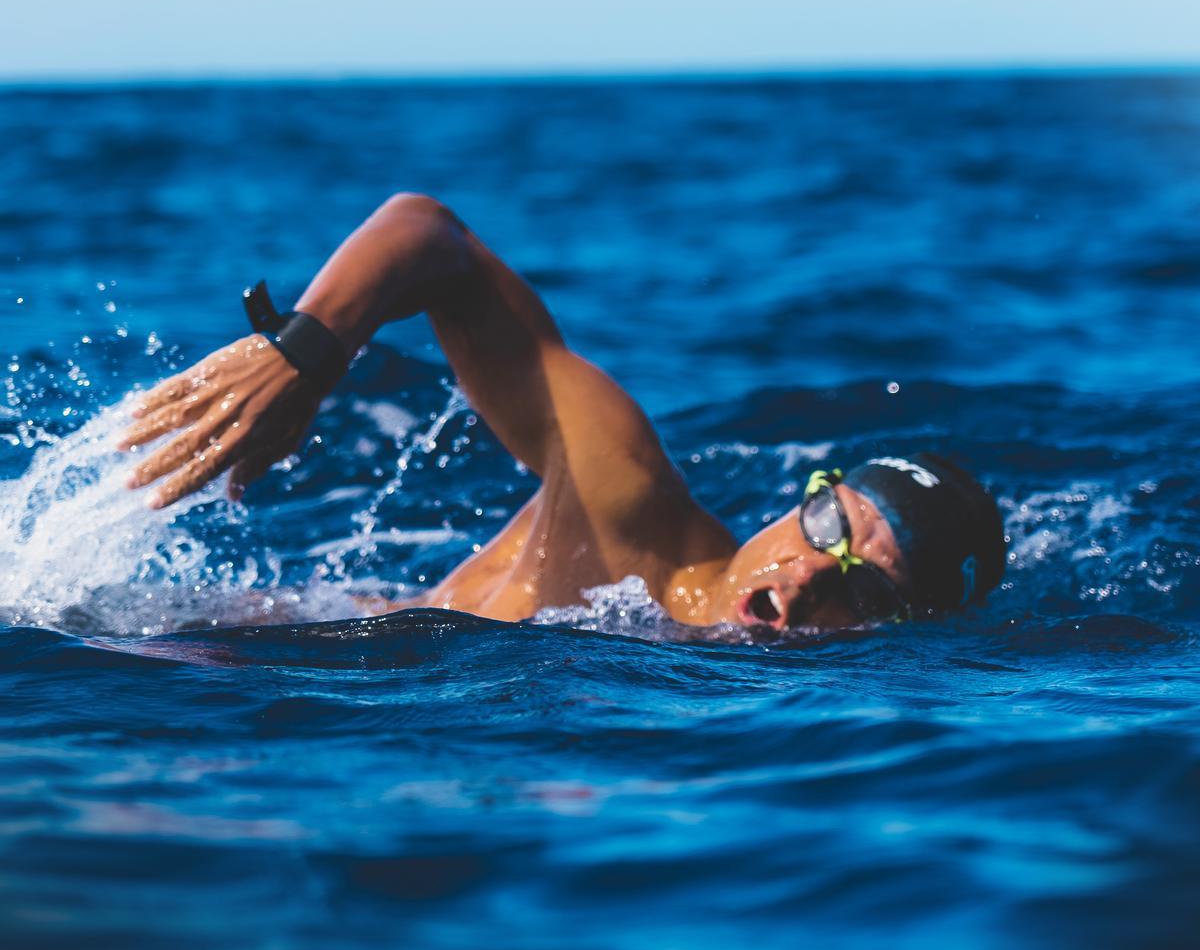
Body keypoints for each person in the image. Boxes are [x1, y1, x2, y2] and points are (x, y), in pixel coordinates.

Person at [118, 194, 1005, 632]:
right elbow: (431, 236)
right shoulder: (628, 513)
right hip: (264, 628)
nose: (803, 578)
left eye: (861, 588)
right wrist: (306, 354)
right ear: (801, 494)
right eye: (824, 525)